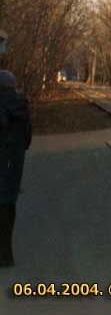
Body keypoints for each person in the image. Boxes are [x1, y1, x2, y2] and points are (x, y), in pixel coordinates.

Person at [0, 70, 31, 267]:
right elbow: (27, 140)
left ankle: (4, 256)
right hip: (15, 164)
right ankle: (6, 254)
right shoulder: (22, 106)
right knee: (9, 204)